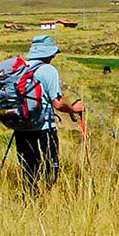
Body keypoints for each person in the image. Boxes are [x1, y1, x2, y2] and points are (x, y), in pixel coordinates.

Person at [13, 35, 84, 195]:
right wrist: (73, 109)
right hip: (44, 125)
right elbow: (57, 104)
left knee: (28, 165)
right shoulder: (48, 70)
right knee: (51, 164)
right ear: (48, 54)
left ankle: (30, 197)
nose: (53, 57)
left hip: (21, 125)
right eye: (53, 54)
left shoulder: (19, 68)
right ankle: (48, 195)